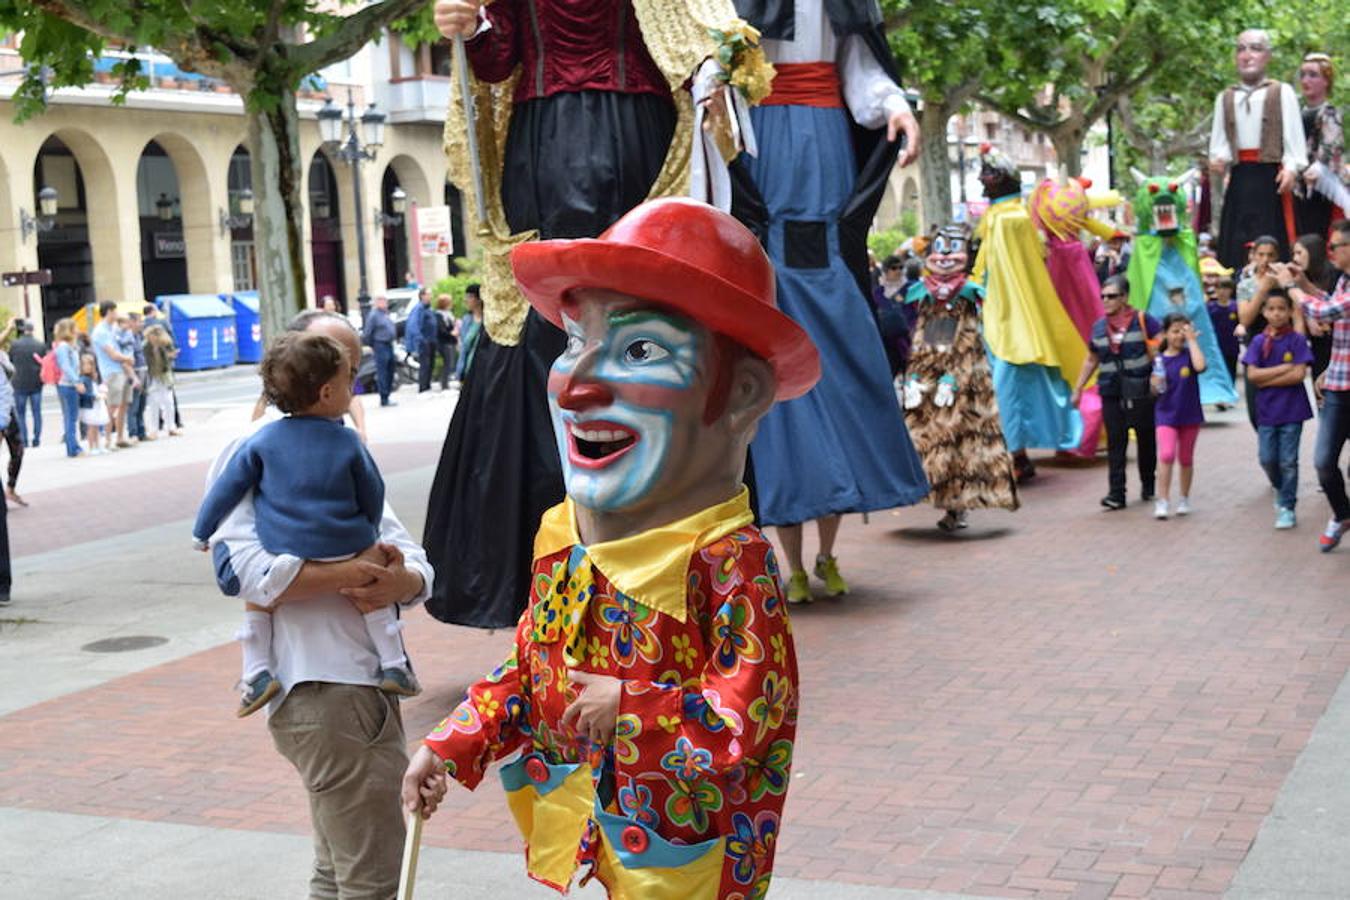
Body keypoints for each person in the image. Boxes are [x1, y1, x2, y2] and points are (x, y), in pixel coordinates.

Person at [401, 198, 812, 900]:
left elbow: (748, 720)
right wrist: (453, 741)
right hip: (599, 835)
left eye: (641, 349)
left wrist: (633, 707)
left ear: (740, 394)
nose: (577, 383)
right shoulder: (564, 540)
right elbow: (533, 676)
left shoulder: (727, 563)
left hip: (690, 860)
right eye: (571, 343)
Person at [426, 0, 754, 630]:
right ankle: (552, 580)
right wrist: (470, 29)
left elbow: (699, 30)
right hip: (544, 143)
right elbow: (499, 56)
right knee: (554, 319)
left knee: (642, 303)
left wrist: (714, 66)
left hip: (638, 136)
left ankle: (663, 566)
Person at [207, 308, 433, 898]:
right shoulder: (252, 447)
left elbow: (408, 552)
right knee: (370, 880)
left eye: (356, 364)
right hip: (324, 689)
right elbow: (241, 573)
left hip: (354, 687)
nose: (351, 381)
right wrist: (353, 571)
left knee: (339, 871)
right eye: (342, 365)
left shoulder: (342, 446)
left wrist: (401, 582)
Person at [732, 0, 929, 603]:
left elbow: (861, 69)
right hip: (761, 148)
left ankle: (824, 555)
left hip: (823, 148)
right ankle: (793, 560)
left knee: (835, 358)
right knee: (774, 361)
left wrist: (897, 107)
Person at [194, 330, 418, 714]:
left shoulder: (260, 442)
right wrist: (366, 529)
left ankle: (256, 671)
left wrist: (201, 532)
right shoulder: (348, 442)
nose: (354, 389)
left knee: (258, 602)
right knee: (367, 580)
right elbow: (373, 494)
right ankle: (395, 663)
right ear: (328, 393)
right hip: (347, 542)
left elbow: (225, 491)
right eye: (350, 380)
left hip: (285, 549)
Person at [973, 144, 1088, 480]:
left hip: (1013, 316)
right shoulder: (999, 216)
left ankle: (1015, 454)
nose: (983, 178)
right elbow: (988, 264)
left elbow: (1019, 271)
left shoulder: (1012, 219)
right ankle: (1013, 454)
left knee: (1009, 381)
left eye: (990, 172)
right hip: (995, 313)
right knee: (1001, 382)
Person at [903, 226, 1018, 531]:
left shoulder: (967, 292)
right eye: (938, 248)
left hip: (963, 380)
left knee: (961, 444)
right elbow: (921, 335)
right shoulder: (924, 291)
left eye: (951, 248)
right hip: (928, 377)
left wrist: (954, 378)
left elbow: (967, 338)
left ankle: (958, 506)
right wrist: (914, 376)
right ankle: (940, 500)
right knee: (927, 438)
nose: (943, 256)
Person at [1125, 175, 1238, 409]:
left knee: (1197, 338)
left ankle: (1211, 388)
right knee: (1158, 343)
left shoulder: (1185, 239)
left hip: (1187, 302)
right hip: (1156, 305)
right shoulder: (1144, 244)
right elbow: (1138, 281)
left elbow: (1191, 271)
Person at [1274, 220, 1350, 550]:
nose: (1330, 251)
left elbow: (1328, 310)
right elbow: (1329, 302)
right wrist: (1303, 281)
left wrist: (1291, 287)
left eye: (1335, 246)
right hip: (1337, 384)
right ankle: (1343, 514)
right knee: (1323, 462)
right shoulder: (1344, 280)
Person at [1208, 30, 1308, 269]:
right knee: (1237, 244)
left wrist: (1292, 169)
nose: (1247, 55)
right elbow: (1219, 144)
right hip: (1240, 178)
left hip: (1271, 178)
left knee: (1273, 240)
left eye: (1254, 48)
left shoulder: (1281, 92)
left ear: (1268, 56)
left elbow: (1295, 142)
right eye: (1241, 49)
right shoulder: (1226, 97)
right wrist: (1218, 159)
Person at [1071, 276, 1162, 510]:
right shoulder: (1099, 327)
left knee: (1145, 438)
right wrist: (1078, 388)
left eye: (1111, 296)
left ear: (1124, 298)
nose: (1106, 301)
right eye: (1103, 296)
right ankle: (1116, 493)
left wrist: (1157, 376)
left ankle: (1148, 483)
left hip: (1140, 389)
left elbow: (1160, 348)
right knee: (1116, 442)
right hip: (1111, 390)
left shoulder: (1143, 320)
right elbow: (1092, 358)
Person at [1241, 290, 1314, 529]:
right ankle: (1281, 489)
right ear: (1263, 312)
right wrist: (1283, 369)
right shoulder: (1259, 341)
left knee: (1288, 461)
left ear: (1290, 312)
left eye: (1281, 309)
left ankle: (1287, 506)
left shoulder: (1296, 340)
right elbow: (1252, 375)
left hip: (1292, 410)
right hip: (1267, 411)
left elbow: (1299, 374)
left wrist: (1266, 377)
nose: (1276, 314)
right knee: (1267, 458)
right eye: (1271, 309)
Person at [1151, 313, 1207, 520]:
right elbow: (1155, 388)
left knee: (1185, 458)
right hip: (1166, 415)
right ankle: (1162, 499)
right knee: (1166, 455)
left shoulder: (1189, 355)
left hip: (1190, 415)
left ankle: (1184, 497)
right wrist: (1154, 385)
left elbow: (1200, 366)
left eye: (1183, 331)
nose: (1178, 336)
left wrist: (1192, 341)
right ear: (1165, 333)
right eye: (1175, 331)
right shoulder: (1159, 359)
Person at [1293, 52, 1348, 239]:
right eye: (1303, 75)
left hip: (1320, 189)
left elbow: (1332, 145)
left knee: (1316, 238)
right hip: (1298, 187)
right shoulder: (1297, 113)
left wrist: (1318, 167)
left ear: (1326, 81)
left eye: (1313, 75)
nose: (1306, 80)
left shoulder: (1329, 112)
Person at [90, 300, 134, 450]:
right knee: (112, 406)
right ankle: (108, 439)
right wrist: (127, 359)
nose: (117, 314)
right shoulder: (100, 331)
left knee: (123, 405)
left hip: (121, 369)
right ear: (108, 312)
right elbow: (112, 354)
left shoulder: (112, 329)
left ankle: (120, 437)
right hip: (112, 371)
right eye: (115, 311)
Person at [872, 253, 915, 376]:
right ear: (886, 270)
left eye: (901, 267)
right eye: (894, 268)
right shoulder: (878, 292)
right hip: (884, 340)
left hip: (906, 338)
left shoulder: (910, 289)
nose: (898, 271)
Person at [9, 320, 46, 449]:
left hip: (19, 382)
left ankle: (24, 440)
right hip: (36, 383)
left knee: (20, 413)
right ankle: (36, 439)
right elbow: (44, 363)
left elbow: (10, 361)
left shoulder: (14, 345)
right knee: (37, 412)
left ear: (23, 330)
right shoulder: (40, 345)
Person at [52, 318, 83, 458]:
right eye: (75, 327)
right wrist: (77, 381)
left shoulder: (69, 346)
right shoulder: (64, 347)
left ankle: (74, 446)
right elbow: (66, 366)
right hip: (68, 385)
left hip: (68, 384)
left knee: (70, 417)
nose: (77, 330)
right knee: (70, 417)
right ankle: (73, 448)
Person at [142, 325, 179, 439]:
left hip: (164, 375)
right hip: (152, 376)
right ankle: (154, 430)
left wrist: (170, 355)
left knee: (168, 401)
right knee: (153, 403)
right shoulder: (145, 346)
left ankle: (171, 427)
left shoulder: (165, 344)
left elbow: (171, 356)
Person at [1207, 273, 1242, 391]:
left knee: (1231, 370)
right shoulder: (1210, 307)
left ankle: (1230, 392)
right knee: (1217, 371)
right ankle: (1219, 393)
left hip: (1232, 346)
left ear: (1231, 290)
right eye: (1219, 288)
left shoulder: (1236, 307)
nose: (1222, 291)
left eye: (1226, 288)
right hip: (1216, 346)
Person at [361, 294, 397, 407]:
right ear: (376, 302)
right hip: (380, 344)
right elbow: (367, 333)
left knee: (390, 369)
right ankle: (384, 397)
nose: (385, 302)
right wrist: (372, 345)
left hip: (389, 344)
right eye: (382, 300)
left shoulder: (385, 314)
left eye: (385, 300)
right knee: (383, 371)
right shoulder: (373, 315)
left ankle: (388, 394)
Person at [403, 287, 438, 393]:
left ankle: (427, 385)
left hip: (431, 341)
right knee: (425, 364)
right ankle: (423, 387)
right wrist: (421, 339)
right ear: (422, 296)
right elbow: (413, 325)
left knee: (430, 364)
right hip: (425, 341)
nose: (430, 296)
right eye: (428, 294)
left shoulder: (428, 308)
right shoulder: (419, 308)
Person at [76, 353, 109, 455]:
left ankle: (98, 445)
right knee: (91, 427)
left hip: (96, 405)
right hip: (90, 406)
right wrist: (95, 396)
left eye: (90, 364)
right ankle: (91, 447)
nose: (88, 367)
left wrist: (102, 391)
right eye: (85, 365)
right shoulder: (83, 379)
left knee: (97, 426)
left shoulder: (94, 377)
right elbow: (84, 394)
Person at [124, 312, 148, 442]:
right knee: (134, 404)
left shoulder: (139, 336)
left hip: (143, 370)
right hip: (135, 371)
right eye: (139, 321)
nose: (142, 324)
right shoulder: (128, 338)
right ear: (132, 322)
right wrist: (132, 376)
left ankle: (141, 431)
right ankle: (133, 432)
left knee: (142, 403)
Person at [454, 284, 483, 383]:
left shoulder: (488, 321)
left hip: (483, 368)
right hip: (468, 369)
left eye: (470, 297)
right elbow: (464, 348)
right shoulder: (467, 319)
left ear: (479, 299)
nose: (466, 300)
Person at [433, 293, 458, 388]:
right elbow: (441, 330)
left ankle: (445, 382)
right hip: (444, 342)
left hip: (450, 341)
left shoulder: (449, 314)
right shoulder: (439, 315)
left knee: (450, 363)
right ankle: (444, 384)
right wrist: (451, 333)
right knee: (448, 363)